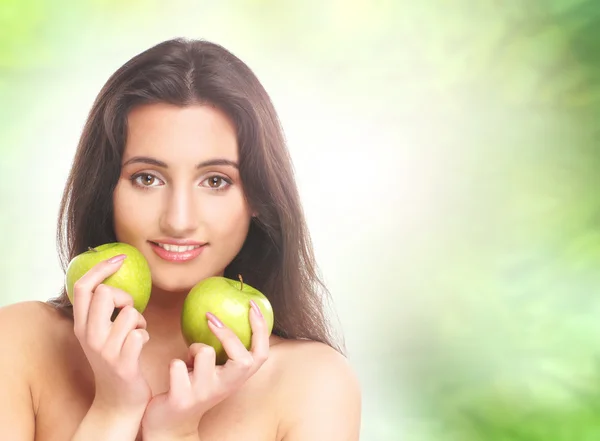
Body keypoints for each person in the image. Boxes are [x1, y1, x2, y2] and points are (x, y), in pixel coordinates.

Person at [0, 38, 361, 440]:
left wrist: (175, 433)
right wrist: (113, 410)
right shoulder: (17, 342)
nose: (178, 220)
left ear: (258, 197)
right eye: (147, 178)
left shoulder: (313, 384)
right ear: (107, 191)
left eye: (215, 181)